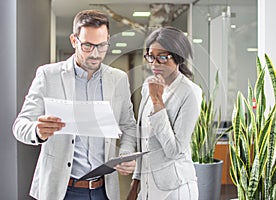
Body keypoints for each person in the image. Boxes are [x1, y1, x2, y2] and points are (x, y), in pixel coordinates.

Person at [12, 10, 137, 200]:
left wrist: (126, 153)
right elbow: (20, 126)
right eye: (87, 45)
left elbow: (128, 125)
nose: (95, 54)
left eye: (102, 45)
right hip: (62, 190)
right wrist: (37, 130)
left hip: (103, 190)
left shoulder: (118, 79)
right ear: (74, 40)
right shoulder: (48, 75)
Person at [126, 26, 202, 200]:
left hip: (175, 188)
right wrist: (135, 183)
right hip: (146, 187)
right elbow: (143, 140)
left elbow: (175, 150)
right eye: (151, 56)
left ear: (178, 57)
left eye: (162, 57)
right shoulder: (148, 85)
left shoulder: (190, 92)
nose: (154, 63)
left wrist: (157, 102)